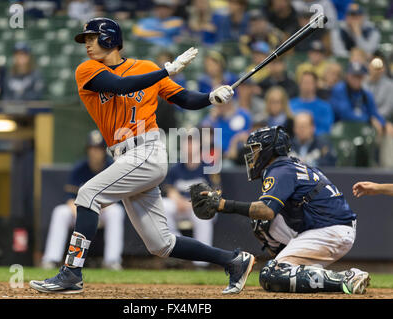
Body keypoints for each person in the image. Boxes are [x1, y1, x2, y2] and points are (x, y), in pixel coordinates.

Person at [29, 17, 255, 295]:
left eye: (92, 38)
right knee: (161, 244)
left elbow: (184, 98)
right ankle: (234, 260)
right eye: (85, 39)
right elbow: (121, 86)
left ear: (109, 39)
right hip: (125, 157)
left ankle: (71, 273)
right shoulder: (86, 70)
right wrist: (165, 71)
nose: (87, 44)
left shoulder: (146, 68)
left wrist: (211, 97)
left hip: (147, 151)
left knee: (87, 195)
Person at [190, 126, 370, 294]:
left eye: (256, 148)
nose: (252, 154)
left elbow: (267, 210)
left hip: (330, 230)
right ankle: (294, 266)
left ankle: (344, 278)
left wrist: (222, 205)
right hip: (326, 226)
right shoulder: (289, 165)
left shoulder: (280, 170)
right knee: (260, 222)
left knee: (271, 274)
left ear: (270, 149)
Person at [41, 130, 126, 270]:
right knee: (60, 212)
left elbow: (118, 197)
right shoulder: (80, 168)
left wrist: (97, 209)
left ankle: (112, 260)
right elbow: (69, 197)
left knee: (116, 212)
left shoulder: (112, 167)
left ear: (104, 151)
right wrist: (77, 211)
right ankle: (51, 259)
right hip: (81, 210)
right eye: (91, 148)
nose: (94, 152)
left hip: (104, 210)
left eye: (97, 149)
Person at [161, 135, 217, 268]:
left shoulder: (209, 167)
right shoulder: (176, 168)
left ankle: (201, 263)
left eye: (193, 143)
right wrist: (177, 198)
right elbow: (169, 189)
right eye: (187, 144)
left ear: (200, 146)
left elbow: (215, 193)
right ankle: (178, 247)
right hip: (180, 206)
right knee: (162, 205)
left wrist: (193, 202)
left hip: (199, 207)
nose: (190, 147)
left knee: (204, 214)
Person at [329, 62, 388, 136]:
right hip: (341, 129)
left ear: (363, 77)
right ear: (348, 76)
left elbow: (374, 113)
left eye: (359, 76)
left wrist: (384, 124)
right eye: (354, 76)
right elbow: (346, 114)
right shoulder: (339, 89)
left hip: (361, 130)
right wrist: (369, 120)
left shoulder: (366, 94)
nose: (356, 79)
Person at [290, 71, 334, 136]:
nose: (306, 86)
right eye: (304, 82)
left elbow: (326, 130)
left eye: (309, 83)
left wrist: (307, 132)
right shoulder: (290, 105)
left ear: (316, 84)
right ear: (299, 84)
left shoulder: (325, 107)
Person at [363, 57, 393, 122]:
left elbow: (388, 108)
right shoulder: (362, 83)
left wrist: (374, 117)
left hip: (383, 119)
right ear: (369, 67)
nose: (377, 70)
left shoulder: (390, 85)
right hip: (363, 118)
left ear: (383, 69)